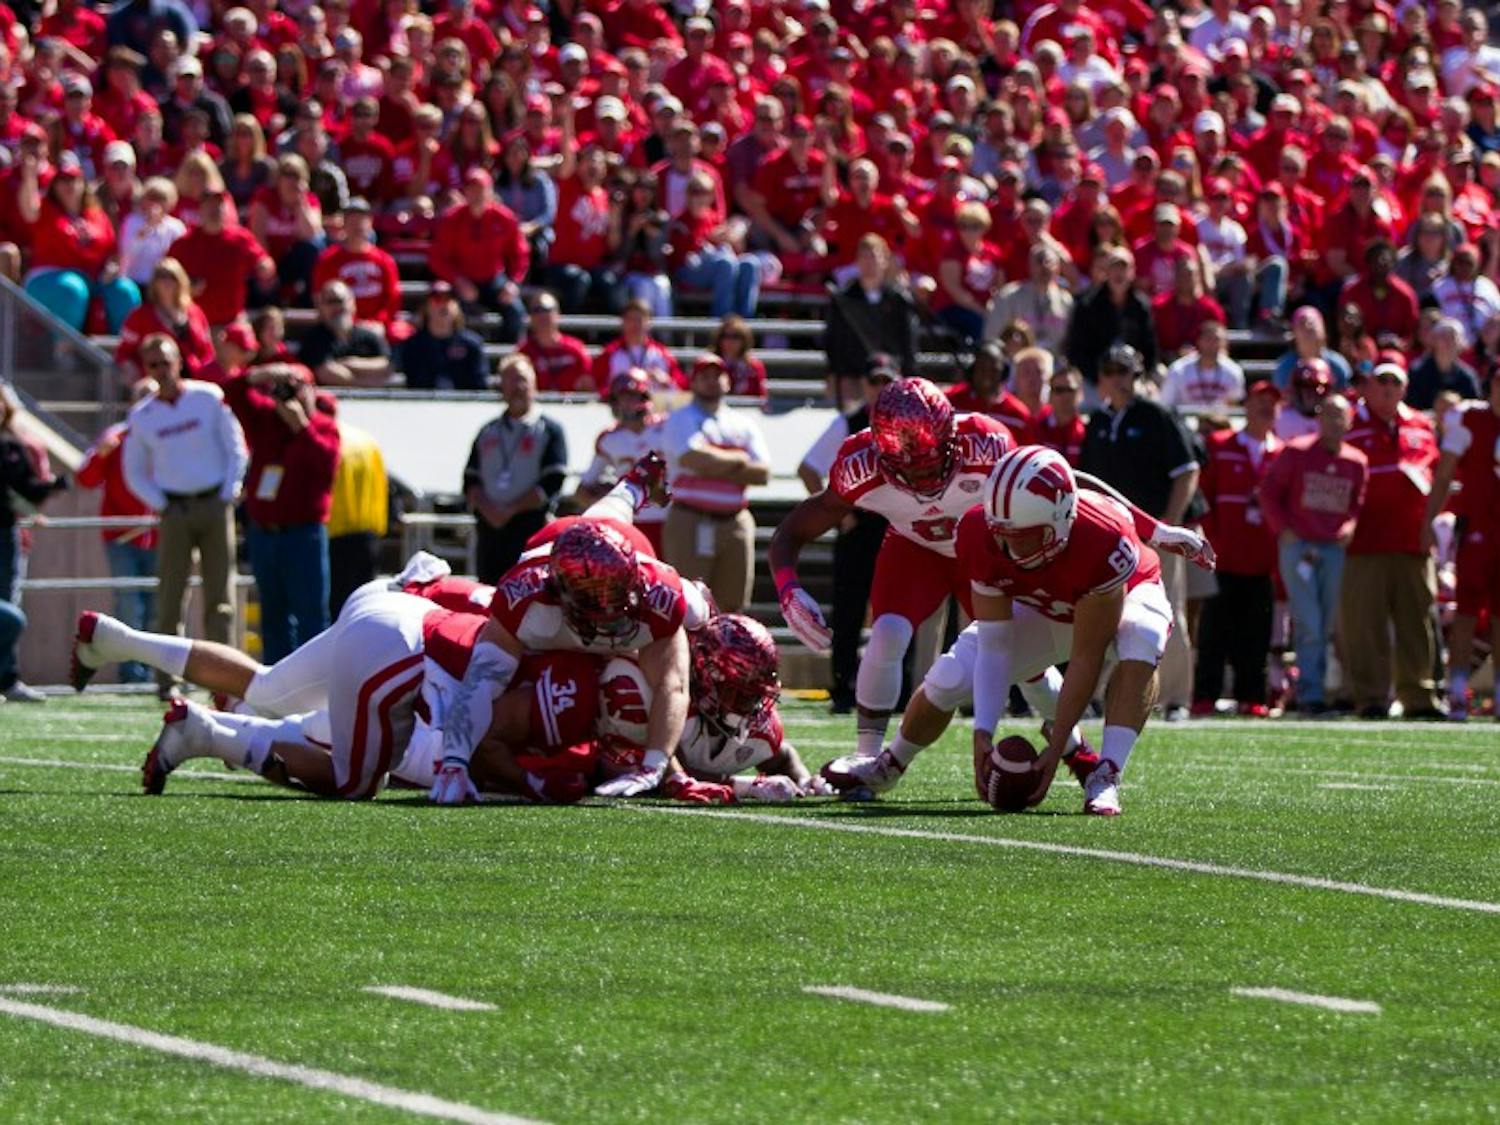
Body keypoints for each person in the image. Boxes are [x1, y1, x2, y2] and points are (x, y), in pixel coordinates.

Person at [820, 447, 1213, 817]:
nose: (1010, 547)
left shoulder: (1103, 538)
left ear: (1061, 520)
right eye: (1002, 533)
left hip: (1121, 594)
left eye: (1024, 536)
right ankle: (891, 763)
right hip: (1046, 602)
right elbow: (995, 646)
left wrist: (1055, 749)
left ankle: (1106, 773)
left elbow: (1085, 658)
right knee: (951, 675)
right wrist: (982, 733)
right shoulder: (979, 532)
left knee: (1141, 637)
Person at [772, 379, 1015, 763]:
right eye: (910, 470)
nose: (924, 481)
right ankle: (866, 758)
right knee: (887, 634)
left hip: (980, 548)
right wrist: (789, 590)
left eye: (931, 463)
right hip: (916, 548)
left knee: (1021, 654)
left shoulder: (988, 442)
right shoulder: (859, 464)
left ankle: (1076, 751)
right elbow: (791, 532)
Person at [121, 334, 247, 698]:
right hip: (175, 509)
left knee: (220, 597)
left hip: (214, 503)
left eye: (167, 362)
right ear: (147, 370)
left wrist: (228, 491)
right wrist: (161, 502)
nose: (162, 370)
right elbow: (133, 471)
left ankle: (223, 680)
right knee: (171, 596)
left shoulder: (207, 397)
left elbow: (235, 446)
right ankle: (168, 681)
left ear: (179, 362)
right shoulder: (143, 416)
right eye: (154, 365)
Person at [1080, 344, 1201, 720]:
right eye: (1113, 371)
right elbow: (1087, 484)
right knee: (1104, 613)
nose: (1121, 379)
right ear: (1101, 378)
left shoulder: (1156, 414)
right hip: (1111, 537)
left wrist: (1168, 525)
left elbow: (1187, 471)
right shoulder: (1098, 423)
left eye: (1127, 372)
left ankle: (1176, 697)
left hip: (1152, 535)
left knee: (1169, 611)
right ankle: (1096, 694)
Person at [795, 355, 898, 713]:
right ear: (864, 385)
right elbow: (808, 468)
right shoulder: (848, 423)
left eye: (887, 383)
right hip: (859, 528)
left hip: (895, 526)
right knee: (849, 610)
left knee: (896, 611)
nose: (880, 389)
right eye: (875, 382)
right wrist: (839, 512)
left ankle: (897, 687)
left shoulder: (909, 424)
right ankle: (842, 686)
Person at [1341, 361, 1444, 719]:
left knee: (1417, 621)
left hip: (1412, 540)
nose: (1387, 387)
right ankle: (1371, 697)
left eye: (1394, 381)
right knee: (1365, 624)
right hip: (1364, 542)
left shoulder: (1421, 425)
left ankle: (1419, 695)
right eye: (1381, 381)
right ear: (1368, 387)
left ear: (1405, 387)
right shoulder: (1350, 424)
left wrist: (1431, 524)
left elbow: (1437, 476)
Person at [1258, 393, 1369, 714]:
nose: (1334, 422)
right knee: (1309, 621)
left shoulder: (1356, 461)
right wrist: (1284, 530)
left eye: (1340, 415)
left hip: (1333, 547)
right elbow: (1268, 492)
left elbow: (1356, 503)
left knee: (1327, 621)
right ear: (1319, 419)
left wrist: (1349, 526)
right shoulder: (1296, 452)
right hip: (1300, 545)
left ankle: (1320, 687)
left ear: (1349, 421)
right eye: (1328, 415)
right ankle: (1311, 693)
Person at [223, 362, 342, 662]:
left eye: (298, 387)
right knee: (273, 616)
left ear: (312, 390)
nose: (292, 394)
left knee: (310, 616)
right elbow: (232, 392)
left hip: (303, 535)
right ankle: (277, 680)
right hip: (264, 533)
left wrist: (301, 426)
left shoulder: (324, 427)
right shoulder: (266, 420)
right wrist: (262, 374)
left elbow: (325, 469)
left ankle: (313, 679)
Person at [1193, 380, 1283, 715]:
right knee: (1213, 631)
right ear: (1245, 405)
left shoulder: (1283, 453)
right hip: (1223, 557)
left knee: (1257, 633)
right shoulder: (1219, 445)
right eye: (1260, 400)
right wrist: (1212, 539)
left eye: (1272, 401)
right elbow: (1202, 496)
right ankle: (1205, 695)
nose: (1266, 407)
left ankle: (1253, 696)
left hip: (1262, 560)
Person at [660, 354, 771, 612]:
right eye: (704, 376)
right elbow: (692, 458)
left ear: (728, 381)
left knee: (732, 605)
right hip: (690, 518)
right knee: (689, 604)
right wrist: (740, 459)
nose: (711, 381)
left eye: (717, 376)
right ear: (693, 382)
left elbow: (763, 473)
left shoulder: (743, 423)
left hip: (734, 521)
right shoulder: (680, 418)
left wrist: (712, 464)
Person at [1422, 375, 1500, 721]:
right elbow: (1443, 475)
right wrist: (1427, 521)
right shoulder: (1469, 419)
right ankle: (1456, 689)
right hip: (1478, 529)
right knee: (1466, 612)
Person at [76, 383, 160, 684]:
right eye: (142, 398)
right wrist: (101, 455)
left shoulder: (169, 436)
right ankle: (132, 678)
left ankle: (157, 676)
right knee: (128, 605)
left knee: (159, 608)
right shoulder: (117, 436)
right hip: (121, 538)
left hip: (162, 538)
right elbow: (85, 479)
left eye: (153, 397)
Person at [463, 356, 568, 583]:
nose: (517, 387)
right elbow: (470, 480)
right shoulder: (488, 431)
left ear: (534, 385)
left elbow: (552, 481)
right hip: (490, 532)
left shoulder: (549, 430)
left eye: (522, 379)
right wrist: (490, 509)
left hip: (530, 530)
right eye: (510, 380)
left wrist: (510, 510)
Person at [0, 384, 67, 703]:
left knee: (10, 612)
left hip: (5, 533)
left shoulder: (13, 448)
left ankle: (6, 679)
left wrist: (53, 486)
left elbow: (26, 491)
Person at [24, 154, 141, 333]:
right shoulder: (46, 209)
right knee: (72, 289)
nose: (69, 185)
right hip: (49, 277)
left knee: (125, 290)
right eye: (62, 180)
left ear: (83, 184)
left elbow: (113, 253)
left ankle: (124, 347)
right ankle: (66, 347)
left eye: (73, 180)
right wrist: (29, 177)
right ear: (54, 186)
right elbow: (29, 209)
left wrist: (112, 268)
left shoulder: (97, 215)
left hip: (94, 280)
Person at [428, 167, 529, 343]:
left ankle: (507, 353)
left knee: (515, 310)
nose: (477, 194)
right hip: (461, 280)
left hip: (493, 279)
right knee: (449, 312)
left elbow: (520, 254)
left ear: (490, 192)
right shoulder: (452, 219)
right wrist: (458, 280)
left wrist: (513, 282)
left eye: (481, 189)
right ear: (465, 192)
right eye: (472, 189)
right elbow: (437, 258)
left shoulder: (504, 218)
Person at [577, 369, 668, 554]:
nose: (628, 404)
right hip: (630, 520)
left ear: (645, 397)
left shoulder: (666, 427)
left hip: (669, 518)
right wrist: (608, 500)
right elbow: (583, 489)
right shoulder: (609, 439)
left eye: (633, 396)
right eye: (623, 398)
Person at [823, 235, 919, 392]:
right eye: (864, 257)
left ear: (885, 260)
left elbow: (907, 342)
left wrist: (906, 374)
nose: (869, 263)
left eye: (873, 257)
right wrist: (837, 373)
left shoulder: (898, 299)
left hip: (889, 373)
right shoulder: (844, 300)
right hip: (853, 374)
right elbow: (834, 340)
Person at [666, 173, 762, 318]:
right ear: (687, 195)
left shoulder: (715, 218)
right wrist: (711, 239)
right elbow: (685, 259)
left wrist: (735, 236)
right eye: (694, 192)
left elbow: (737, 248)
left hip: (719, 267)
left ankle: (744, 321)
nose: (699, 197)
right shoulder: (681, 222)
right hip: (689, 271)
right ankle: (721, 320)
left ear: (711, 196)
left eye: (704, 192)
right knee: (725, 263)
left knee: (750, 263)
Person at [114, 256, 216, 386]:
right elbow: (124, 352)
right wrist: (136, 377)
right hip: (155, 384)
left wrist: (207, 375)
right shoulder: (140, 316)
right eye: (162, 277)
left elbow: (207, 350)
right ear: (154, 283)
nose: (167, 281)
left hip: (194, 381)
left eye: (172, 277)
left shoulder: (195, 312)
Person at [1065, 246, 1157, 385]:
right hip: (1095, 378)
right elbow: (1076, 351)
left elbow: (1150, 349)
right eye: (1114, 268)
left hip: (1133, 377)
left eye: (1123, 268)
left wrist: (1140, 376)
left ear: (1132, 273)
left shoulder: (1141, 306)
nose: (1118, 273)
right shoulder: (1087, 305)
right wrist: (1099, 379)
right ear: (1106, 272)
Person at [310, 198, 402, 337]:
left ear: (370, 223)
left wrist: (378, 322)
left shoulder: (385, 261)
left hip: (378, 329)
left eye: (361, 220)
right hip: (340, 328)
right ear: (343, 224)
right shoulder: (328, 260)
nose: (357, 226)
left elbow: (393, 299)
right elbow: (320, 299)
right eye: (351, 220)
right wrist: (352, 324)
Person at [326, 420, 389, 619]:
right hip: (369, 534)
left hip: (334, 534)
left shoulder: (329, 439)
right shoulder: (367, 441)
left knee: (336, 608)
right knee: (362, 605)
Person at [985, 243, 1074, 358]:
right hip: (1017, 363)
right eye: (1039, 261)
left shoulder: (1066, 301)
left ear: (1058, 268)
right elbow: (991, 337)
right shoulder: (1009, 297)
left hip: (1055, 363)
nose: (1045, 266)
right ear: (1030, 266)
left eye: (1049, 262)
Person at [297, 279, 392, 387]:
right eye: (331, 302)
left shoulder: (369, 335)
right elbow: (325, 373)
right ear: (321, 306)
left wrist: (351, 363)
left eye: (340, 300)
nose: (336, 307)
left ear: (352, 303)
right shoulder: (314, 337)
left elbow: (386, 366)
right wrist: (366, 384)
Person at [402, 281, 487, 392]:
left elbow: (479, 385)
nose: (443, 304)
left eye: (448, 299)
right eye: (437, 299)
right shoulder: (413, 345)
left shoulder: (472, 344)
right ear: (426, 307)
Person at [944, 341, 1034, 444]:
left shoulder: (1018, 416)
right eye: (982, 369)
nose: (986, 375)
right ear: (972, 370)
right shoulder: (950, 402)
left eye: (993, 370)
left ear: (1004, 372)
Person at [591, 299, 685, 393]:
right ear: (623, 322)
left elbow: (682, 388)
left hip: (655, 401)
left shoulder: (662, 354)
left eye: (639, 320)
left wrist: (666, 381)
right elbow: (595, 388)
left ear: (648, 322)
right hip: (621, 402)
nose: (635, 324)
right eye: (631, 319)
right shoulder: (610, 353)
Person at [519, 292, 595, 393]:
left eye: (547, 309)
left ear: (557, 313)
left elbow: (590, 382)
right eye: (536, 310)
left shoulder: (575, 349)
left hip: (571, 402)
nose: (542, 315)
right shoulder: (523, 353)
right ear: (530, 317)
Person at [1160, 320, 1244, 409]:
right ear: (1199, 341)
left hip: (1220, 417)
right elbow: (1166, 403)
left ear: (1225, 343)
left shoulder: (1233, 370)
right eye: (1208, 339)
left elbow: (1234, 406)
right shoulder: (1179, 369)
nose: (1212, 344)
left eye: (1217, 340)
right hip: (1186, 416)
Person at [1407, 318, 1481, 410]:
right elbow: (1411, 407)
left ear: (1461, 343)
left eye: (1452, 337)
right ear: (1434, 341)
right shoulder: (1417, 372)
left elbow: (1473, 407)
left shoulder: (1468, 376)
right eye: (1443, 336)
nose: (1448, 341)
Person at [1272, 306, 1352, 390]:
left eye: (1312, 323)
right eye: (1302, 323)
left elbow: (1348, 393)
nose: (1307, 327)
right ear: (1294, 334)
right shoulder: (1284, 368)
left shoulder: (1337, 364)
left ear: (1323, 331)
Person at [1036, 365, 1087, 464]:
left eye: (1070, 389)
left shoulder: (1088, 431)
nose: (1065, 395)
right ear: (1050, 395)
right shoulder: (1037, 427)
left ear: (1080, 394)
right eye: (1059, 390)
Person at [712, 316, 768, 399]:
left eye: (735, 336)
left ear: (744, 339)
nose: (730, 341)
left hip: (747, 406)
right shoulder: (710, 363)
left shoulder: (755, 366)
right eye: (725, 336)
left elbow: (761, 397)